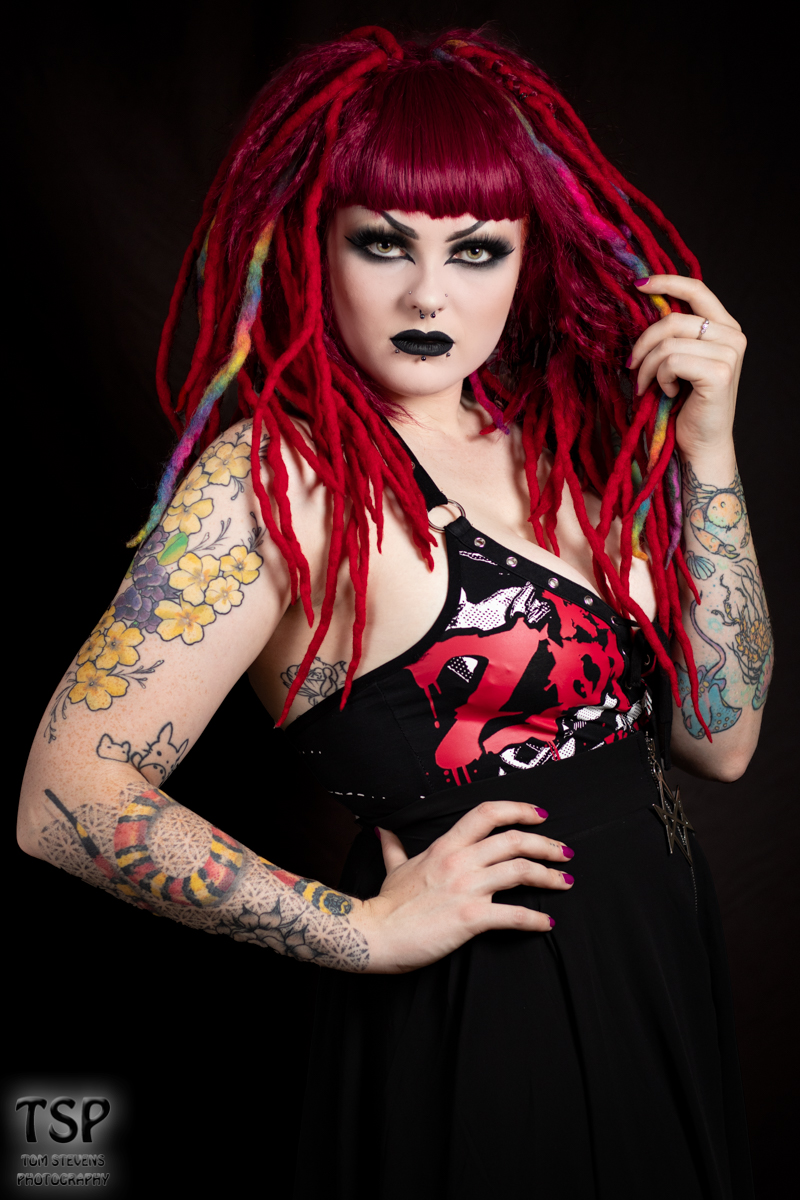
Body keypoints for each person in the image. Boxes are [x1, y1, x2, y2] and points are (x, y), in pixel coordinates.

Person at [18, 25, 769, 1199]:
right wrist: (358, 932)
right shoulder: (275, 483)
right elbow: (65, 799)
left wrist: (707, 454)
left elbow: (718, 740)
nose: (428, 293)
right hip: (483, 1023)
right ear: (315, 244)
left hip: (652, 974)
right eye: (382, 242)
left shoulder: (558, 450)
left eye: (475, 250)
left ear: (524, 261)